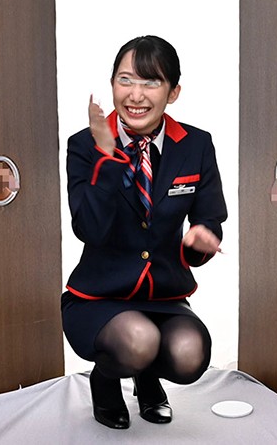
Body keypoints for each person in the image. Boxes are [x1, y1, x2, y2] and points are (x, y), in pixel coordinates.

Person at [61, 35, 228, 429]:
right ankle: (106, 380)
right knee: (138, 340)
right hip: (100, 296)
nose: (135, 95)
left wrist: (200, 241)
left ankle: (146, 376)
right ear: (112, 84)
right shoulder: (84, 145)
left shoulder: (196, 145)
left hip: (163, 296)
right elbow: (88, 229)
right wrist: (108, 157)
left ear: (173, 92)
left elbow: (208, 221)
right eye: (125, 80)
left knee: (190, 355)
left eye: (151, 82)